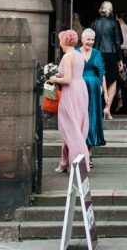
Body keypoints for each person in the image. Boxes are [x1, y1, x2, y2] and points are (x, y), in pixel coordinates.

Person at [50, 28, 90, 173]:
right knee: (75, 126)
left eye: (60, 40)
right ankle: (64, 162)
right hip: (81, 89)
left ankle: (77, 162)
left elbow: (67, 79)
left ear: (64, 41)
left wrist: (54, 78)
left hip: (71, 91)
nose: (59, 43)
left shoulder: (67, 57)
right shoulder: (79, 55)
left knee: (70, 127)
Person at [77, 27, 107, 158]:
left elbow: (102, 73)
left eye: (92, 39)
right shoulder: (76, 53)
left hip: (94, 90)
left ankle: (89, 152)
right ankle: (79, 150)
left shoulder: (97, 53)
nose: (90, 42)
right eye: (88, 39)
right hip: (79, 88)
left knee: (92, 117)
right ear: (82, 39)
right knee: (80, 117)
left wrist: (105, 92)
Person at [91, 0, 122, 120]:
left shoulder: (94, 22)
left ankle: (96, 109)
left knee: (98, 80)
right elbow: (119, 42)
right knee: (112, 81)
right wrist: (120, 59)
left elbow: (90, 38)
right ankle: (107, 109)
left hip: (96, 54)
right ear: (111, 10)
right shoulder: (114, 23)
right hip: (110, 54)